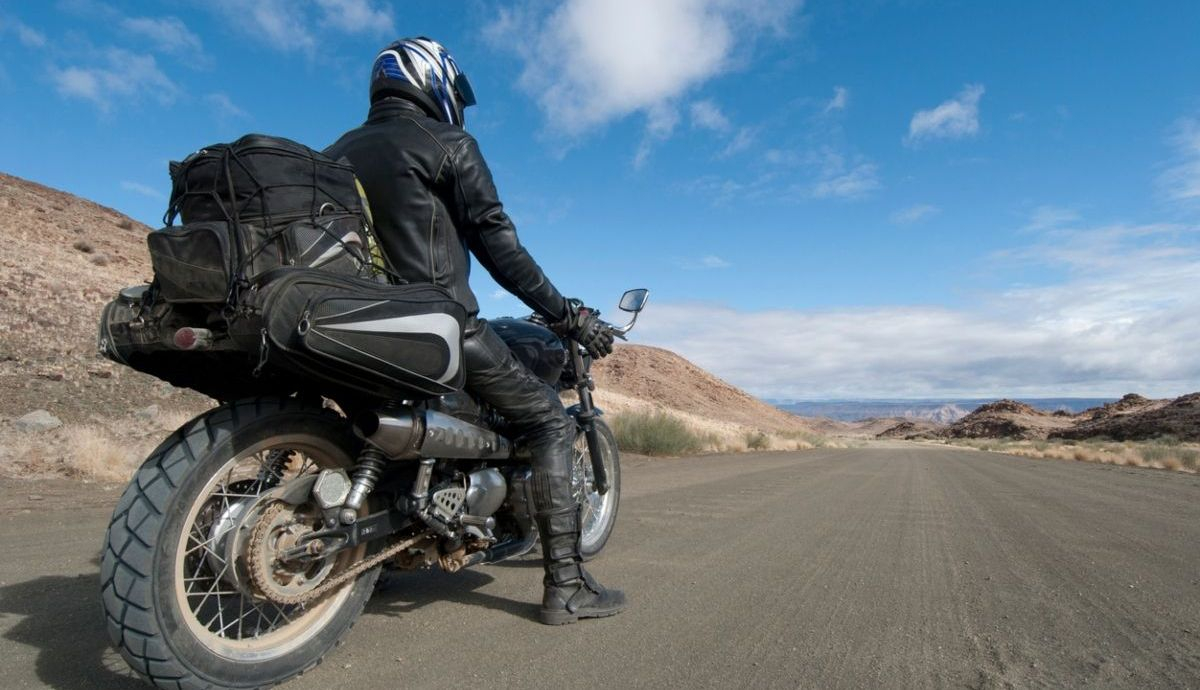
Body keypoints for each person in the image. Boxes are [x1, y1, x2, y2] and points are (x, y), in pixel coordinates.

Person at [325, 37, 626, 625]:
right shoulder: (447, 144)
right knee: (546, 419)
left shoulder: (331, 154)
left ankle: (382, 553)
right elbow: (499, 246)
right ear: (431, 80)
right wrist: (567, 314)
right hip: (438, 325)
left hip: (351, 325)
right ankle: (566, 586)